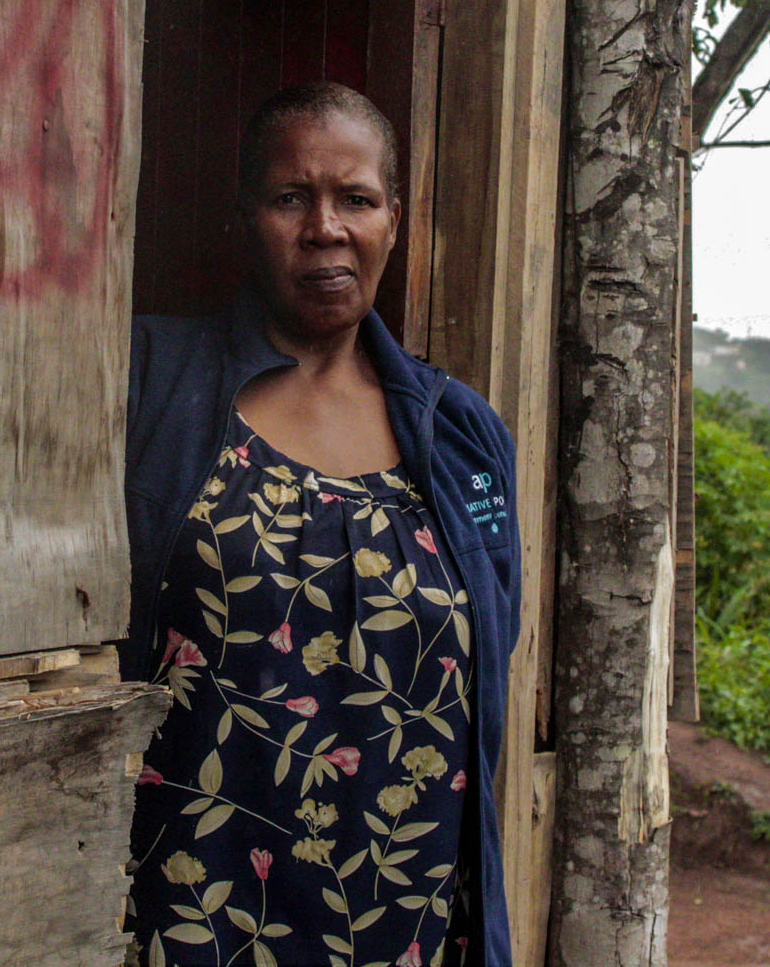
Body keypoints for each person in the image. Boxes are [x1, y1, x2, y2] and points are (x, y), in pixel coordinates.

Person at [123, 82, 519, 967]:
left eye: (356, 199)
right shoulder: (151, 383)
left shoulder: (459, 433)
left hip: (406, 921)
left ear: (393, 218)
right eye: (290, 197)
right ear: (244, 215)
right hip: (197, 910)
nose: (325, 228)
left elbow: (490, 656)